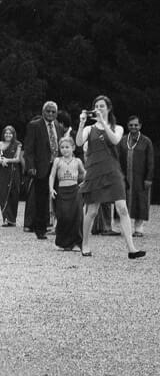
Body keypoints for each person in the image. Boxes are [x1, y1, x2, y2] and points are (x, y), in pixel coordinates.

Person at [76, 96, 144, 259]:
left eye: (102, 106)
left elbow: (114, 140)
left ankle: (132, 249)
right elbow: (78, 143)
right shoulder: (89, 129)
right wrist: (81, 123)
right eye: (96, 106)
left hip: (113, 171)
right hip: (94, 171)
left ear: (108, 108)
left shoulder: (118, 128)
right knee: (92, 211)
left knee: (122, 208)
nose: (99, 109)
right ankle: (84, 245)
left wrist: (104, 123)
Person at [22, 101, 64, 240]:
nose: (50, 114)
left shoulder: (58, 126)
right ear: (43, 112)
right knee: (41, 199)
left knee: (59, 196)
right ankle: (40, 229)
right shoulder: (34, 126)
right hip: (40, 167)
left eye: (53, 112)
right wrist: (31, 167)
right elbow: (29, 149)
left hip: (57, 166)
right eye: (48, 111)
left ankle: (59, 226)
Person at [119, 116, 153, 237]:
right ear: (127, 126)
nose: (133, 127)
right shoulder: (122, 141)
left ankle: (139, 228)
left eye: (136, 125)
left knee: (140, 201)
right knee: (123, 201)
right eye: (131, 125)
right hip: (125, 177)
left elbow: (150, 161)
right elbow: (117, 159)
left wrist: (149, 178)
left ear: (140, 126)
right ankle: (125, 228)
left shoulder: (146, 141)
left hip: (140, 177)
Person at [49, 137, 84, 251]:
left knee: (76, 217)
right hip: (62, 191)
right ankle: (61, 243)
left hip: (75, 191)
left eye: (67, 147)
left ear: (73, 148)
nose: (65, 150)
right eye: (62, 147)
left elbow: (85, 173)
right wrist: (51, 188)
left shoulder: (77, 161)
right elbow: (52, 175)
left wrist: (83, 184)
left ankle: (76, 243)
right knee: (63, 217)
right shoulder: (57, 161)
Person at [0, 125, 23, 227]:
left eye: (10, 133)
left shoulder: (18, 144)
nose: (8, 135)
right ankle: (5, 218)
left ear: (13, 134)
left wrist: (7, 160)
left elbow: (17, 159)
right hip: (2, 173)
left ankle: (12, 219)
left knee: (13, 195)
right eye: (6, 133)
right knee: (3, 195)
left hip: (13, 173)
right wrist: (1, 162)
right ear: (3, 134)